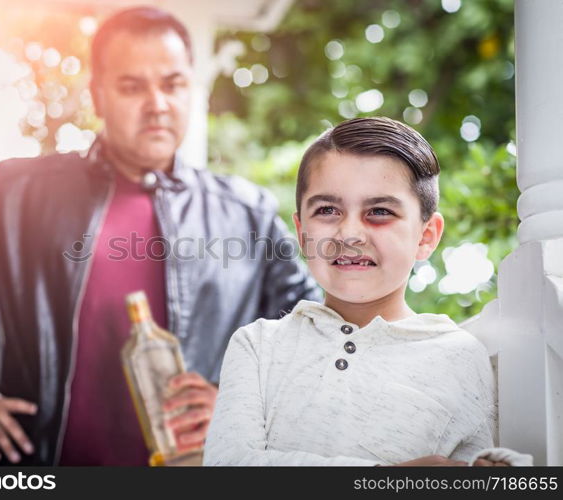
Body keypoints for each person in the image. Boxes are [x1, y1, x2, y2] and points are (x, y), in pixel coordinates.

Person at [0, 6, 320, 466]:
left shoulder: (245, 213)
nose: (157, 103)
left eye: (172, 84)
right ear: (97, 96)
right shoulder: (19, 194)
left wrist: (240, 405)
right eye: (133, 86)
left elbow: (315, 330)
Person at [203, 117, 530, 466]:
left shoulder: (460, 358)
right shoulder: (257, 346)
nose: (350, 234)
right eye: (328, 210)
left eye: (379, 212)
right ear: (301, 232)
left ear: (426, 236)